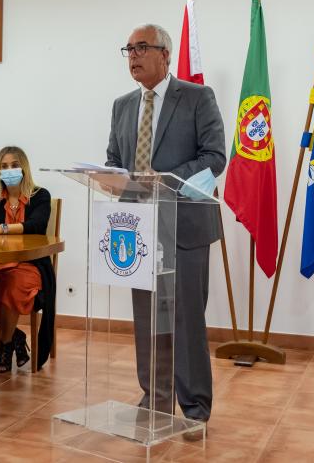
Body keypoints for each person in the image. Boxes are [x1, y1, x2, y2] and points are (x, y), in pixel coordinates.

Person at [106, 24, 226, 433]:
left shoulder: (196, 97)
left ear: (166, 54)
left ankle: (195, 408)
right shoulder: (123, 105)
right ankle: (155, 399)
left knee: (186, 320)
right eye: (129, 49)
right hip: (137, 230)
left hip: (185, 228)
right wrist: (107, 177)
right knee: (148, 321)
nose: (134, 56)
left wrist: (167, 178)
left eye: (142, 48)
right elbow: (114, 159)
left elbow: (215, 157)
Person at [0, 146, 56, 373]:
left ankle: (4, 349)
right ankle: (16, 336)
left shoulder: (40, 195)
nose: (9, 170)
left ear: (24, 167)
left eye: (14, 165)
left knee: (11, 286)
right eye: (4, 166)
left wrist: (1, 229)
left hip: (31, 265)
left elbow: (36, 225)